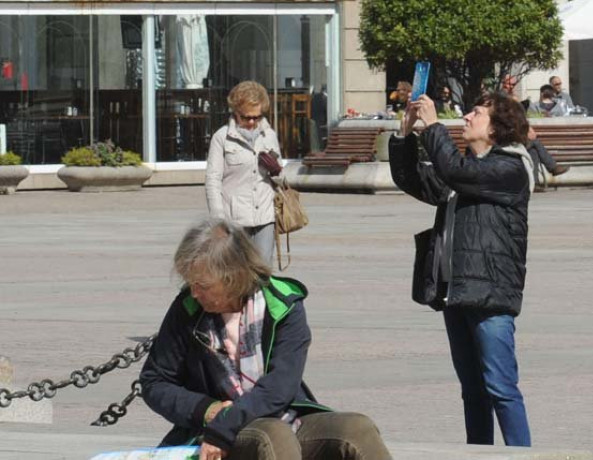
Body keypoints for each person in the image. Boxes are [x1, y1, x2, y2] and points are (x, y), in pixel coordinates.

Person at [140, 219, 392, 460]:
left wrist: (228, 423)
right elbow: (155, 381)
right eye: (190, 283)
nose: (194, 293)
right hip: (216, 432)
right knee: (272, 436)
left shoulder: (283, 305)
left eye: (203, 285)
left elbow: (278, 389)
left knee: (356, 428)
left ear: (233, 276)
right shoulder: (187, 309)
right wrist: (207, 409)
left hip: (281, 417)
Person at [389, 92, 533, 446]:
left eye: (476, 113)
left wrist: (435, 125)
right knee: (473, 390)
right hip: (456, 291)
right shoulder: (466, 171)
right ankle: (479, 454)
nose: (467, 117)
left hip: (490, 294)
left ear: (497, 130)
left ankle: (524, 455)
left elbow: (455, 170)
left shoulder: (510, 167)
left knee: (500, 387)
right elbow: (412, 178)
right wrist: (404, 136)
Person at [206, 81, 282, 265]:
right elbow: (212, 180)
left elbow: (281, 177)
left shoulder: (269, 135)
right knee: (238, 272)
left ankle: (258, 296)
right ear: (235, 112)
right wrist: (218, 219)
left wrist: (276, 170)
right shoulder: (222, 137)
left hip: (264, 214)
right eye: (246, 117)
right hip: (235, 219)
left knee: (263, 270)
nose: (251, 122)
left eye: (256, 117)